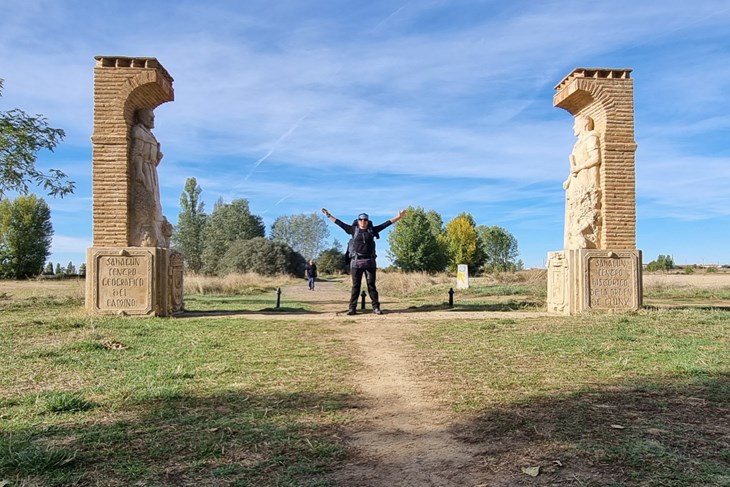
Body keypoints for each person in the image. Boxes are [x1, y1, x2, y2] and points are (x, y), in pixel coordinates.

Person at [321, 207, 406, 315]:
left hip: (369, 262)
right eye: (361, 220)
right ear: (358, 221)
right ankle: (352, 309)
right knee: (356, 286)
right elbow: (339, 223)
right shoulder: (353, 230)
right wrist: (328, 215)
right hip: (356, 262)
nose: (363, 222)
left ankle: (376, 308)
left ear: (368, 221)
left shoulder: (372, 230)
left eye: (365, 220)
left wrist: (398, 217)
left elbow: (386, 224)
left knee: (371, 286)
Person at [563, 114, 601, 249]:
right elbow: (574, 168)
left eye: (575, 124)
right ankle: (576, 240)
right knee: (574, 212)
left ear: (583, 124)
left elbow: (596, 158)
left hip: (587, 181)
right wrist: (569, 180)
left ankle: (586, 238)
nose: (573, 127)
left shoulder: (591, 137)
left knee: (587, 209)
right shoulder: (578, 143)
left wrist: (579, 167)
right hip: (577, 181)